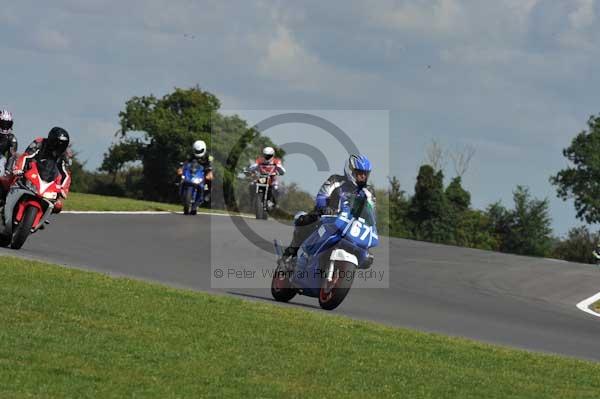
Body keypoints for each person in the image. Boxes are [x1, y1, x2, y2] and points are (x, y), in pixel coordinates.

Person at [281, 153, 375, 261]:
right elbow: (322, 196)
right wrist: (325, 208)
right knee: (303, 220)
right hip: (328, 217)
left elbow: (371, 211)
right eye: (360, 173)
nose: (363, 176)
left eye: (365, 174)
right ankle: (290, 254)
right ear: (351, 170)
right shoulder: (336, 180)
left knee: (367, 258)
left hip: (351, 226)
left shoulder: (368, 192)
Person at [12, 127, 72, 213]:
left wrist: (63, 189)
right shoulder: (40, 142)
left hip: (49, 177)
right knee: (10, 181)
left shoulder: (64, 154)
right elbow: (27, 155)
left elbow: (66, 173)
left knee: (58, 206)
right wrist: (19, 168)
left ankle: (43, 214)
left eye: (62, 144)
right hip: (32, 170)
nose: (59, 146)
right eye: (57, 143)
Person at [177, 140, 213, 208]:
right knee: (179, 172)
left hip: (203, 171)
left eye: (199, 151)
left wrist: (209, 171)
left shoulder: (209, 156)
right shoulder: (190, 155)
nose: (198, 152)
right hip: (192, 171)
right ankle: (178, 183)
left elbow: (211, 164)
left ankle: (207, 193)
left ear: (204, 149)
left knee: (210, 177)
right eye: (196, 151)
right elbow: (185, 161)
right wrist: (181, 167)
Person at [0, 109, 18, 176]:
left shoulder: (12, 139)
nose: (5, 126)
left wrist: (7, 170)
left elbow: (12, 155)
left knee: (2, 160)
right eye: (3, 123)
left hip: (1, 159)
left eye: (7, 124)